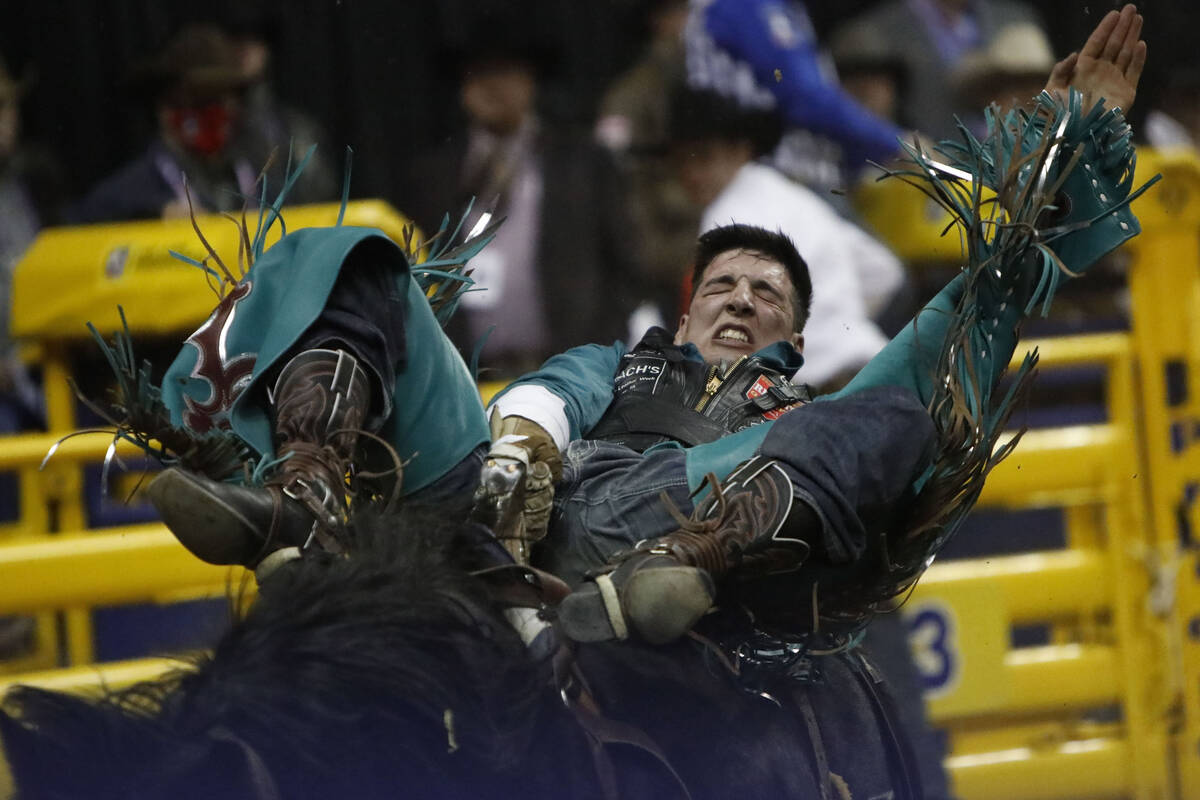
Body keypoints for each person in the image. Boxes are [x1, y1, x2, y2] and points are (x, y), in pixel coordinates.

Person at [133, 6, 1146, 650]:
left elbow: (979, 300)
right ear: (687, 302)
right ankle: (305, 487)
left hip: (691, 515)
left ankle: (680, 570)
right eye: (728, 283)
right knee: (362, 254)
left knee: (889, 411)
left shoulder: (795, 415)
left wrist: (1061, 150)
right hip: (498, 503)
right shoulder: (610, 364)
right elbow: (552, 394)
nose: (746, 297)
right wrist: (521, 448)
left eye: (769, 293)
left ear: (792, 333)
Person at [400, 11, 643, 376]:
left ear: (532, 81)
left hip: (567, 370)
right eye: (479, 73)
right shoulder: (433, 175)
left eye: (506, 72)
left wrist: (600, 351)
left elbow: (626, 266)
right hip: (464, 376)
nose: (492, 86)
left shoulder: (581, 162)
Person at [671, 87, 906, 390]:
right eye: (682, 161)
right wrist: (835, 320)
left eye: (703, 157)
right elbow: (884, 270)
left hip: (813, 393)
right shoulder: (791, 196)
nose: (691, 173)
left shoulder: (726, 215)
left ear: (741, 150)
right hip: (870, 372)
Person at [69, 25, 260, 224]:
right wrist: (149, 220)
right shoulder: (126, 196)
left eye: (220, 99)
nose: (215, 112)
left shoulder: (260, 177)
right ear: (165, 109)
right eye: (198, 100)